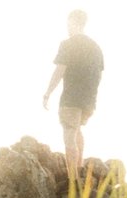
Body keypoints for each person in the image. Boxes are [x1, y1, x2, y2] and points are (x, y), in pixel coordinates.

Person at [41, 9, 104, 178]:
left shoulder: (68, 44)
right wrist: (91, 99)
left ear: (74, 22)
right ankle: (80, 166)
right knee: (76, 130)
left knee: (69, 133)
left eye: (68, 23)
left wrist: (47, 93)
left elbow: (60, 70)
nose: (67, 27)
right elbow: (99, 74)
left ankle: (73, 178)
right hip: (89, 102)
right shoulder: (96, 48)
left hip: (71, 99)